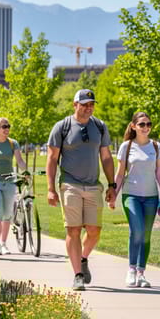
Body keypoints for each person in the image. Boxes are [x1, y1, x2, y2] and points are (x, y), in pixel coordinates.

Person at [46, 89, 116, 291]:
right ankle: (77, 274)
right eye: (84, 104)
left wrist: (111, 185)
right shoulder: (62, 127)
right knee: (73, 229)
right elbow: (52, 159)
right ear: (75, 105)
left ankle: (83, 259)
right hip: (70, 184)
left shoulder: (100, 127)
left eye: (91, 104)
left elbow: (106, 157)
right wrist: (51, 188)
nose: (88, 107)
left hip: (94, 185)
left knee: (94, 231)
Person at [112, 112, 160, 288]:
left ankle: (141, 273)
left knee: (146, 235)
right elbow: (120, 174)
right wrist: (113, 194)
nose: (146, 127)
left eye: (148, 124)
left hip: (151, 197)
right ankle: (131, 269)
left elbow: (159, 173)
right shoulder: (126, 146)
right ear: (134, 126)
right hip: (131, 195)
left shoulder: (156, 146)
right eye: (142, 124)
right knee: (137, 231)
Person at [0, 117, 27, 255]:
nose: (6, 129)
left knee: (7, 215)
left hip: (10, 181)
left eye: (8, 126)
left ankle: (4, 244)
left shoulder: (13, 143)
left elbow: (20, 161)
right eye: (3, 126)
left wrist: (25, 171)